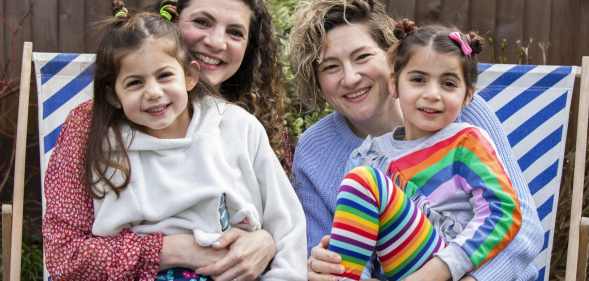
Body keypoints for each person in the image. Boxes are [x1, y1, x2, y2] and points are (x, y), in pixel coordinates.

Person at [42, 1, 300, 280]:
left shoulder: (247, 126)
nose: (215, 42)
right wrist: (172, 250)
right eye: (202, 22)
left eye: (235, 32)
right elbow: (64, 256)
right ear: (172, 21)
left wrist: (267, 242)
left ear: (190, 75)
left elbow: (285, 222)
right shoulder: (95, 129)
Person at [288, 0, 543, 280]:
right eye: (330, 67)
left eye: (362, 57)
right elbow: (326, 250)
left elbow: (524, 226)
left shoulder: (462, 115)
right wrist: (320, 266)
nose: (350, 78)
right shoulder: (317, 149)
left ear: (391, 58)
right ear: (317, 80)